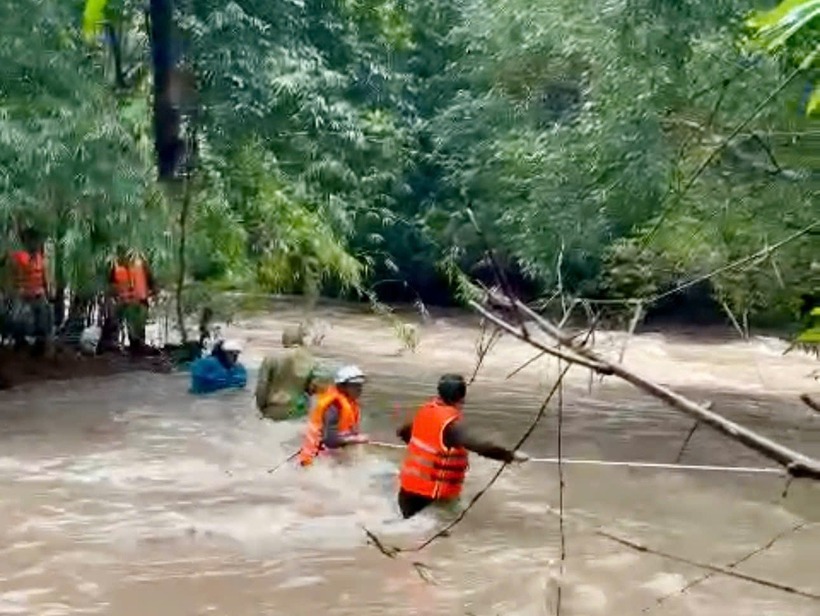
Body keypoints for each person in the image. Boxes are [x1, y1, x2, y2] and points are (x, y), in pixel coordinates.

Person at [396, 373, 529, 519]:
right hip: (432, 499)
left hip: (406, 494)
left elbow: (403, 433)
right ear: (461, 397)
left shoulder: (425, 411)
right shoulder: (451, 426)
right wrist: (510, 455)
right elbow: (480, 446)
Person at [298, 365, 370, 466]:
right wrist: (356, 439)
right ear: (342, 386)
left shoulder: (349, 404)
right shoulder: (333, 407)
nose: (359, 389)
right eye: (355, 385)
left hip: (331, 456)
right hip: (315, 460)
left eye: (360, 385)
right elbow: (330, 441)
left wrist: (353, 437)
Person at [255, 339, 330, 420]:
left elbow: (262, 386)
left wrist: (261, 408)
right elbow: (318, 387)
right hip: (299, 410)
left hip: (274, 410)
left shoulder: (271, 358)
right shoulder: (311, 361)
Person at [6, 228, 52, 356]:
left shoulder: (40, 258)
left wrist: (47, 292)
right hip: (23, 293)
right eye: (33, 242)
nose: (36, 244)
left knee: (44, 318)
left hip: (38, 293)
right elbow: (12, 276)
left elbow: (44, 278)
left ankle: (39, 346)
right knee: (16, 319)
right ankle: (19, 344)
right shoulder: (19, 257)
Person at [108, 246, 158, 354]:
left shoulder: (141, 263)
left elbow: (150, 278)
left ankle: (138, 346)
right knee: (117, 323)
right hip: (123, 301)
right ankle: (115, 345)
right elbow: (110, 283)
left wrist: (153, 291)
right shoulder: (114, 264)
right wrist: (113, 296)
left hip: (139, 301)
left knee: (138, 327)